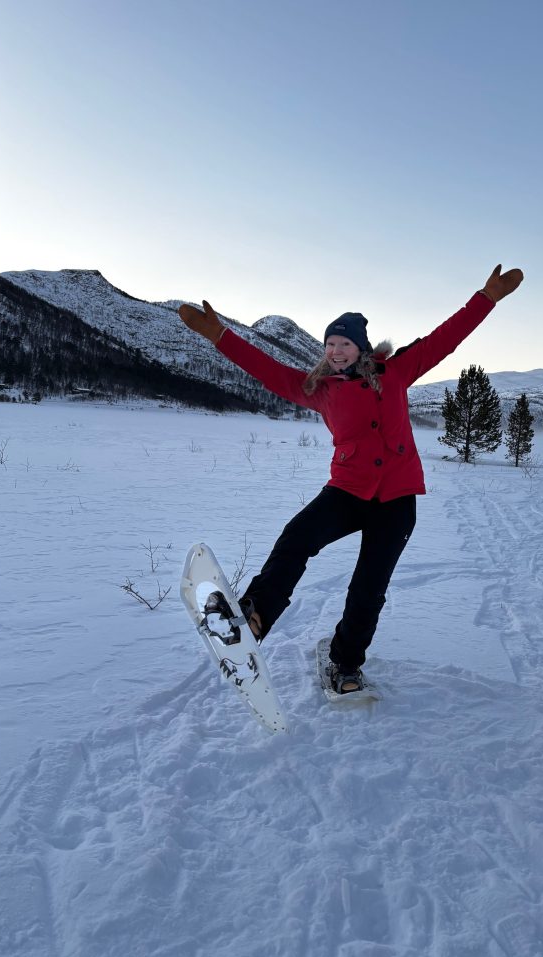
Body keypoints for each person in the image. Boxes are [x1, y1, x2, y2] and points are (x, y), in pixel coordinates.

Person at [178, 263, 523, 693]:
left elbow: (445, 339)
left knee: (369, 588)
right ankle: (254, 615)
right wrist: (220, 337)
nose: (336, 351)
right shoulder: (319, 389)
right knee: (296, 538)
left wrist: (485, 298)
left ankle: (345, 663)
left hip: (396, 499)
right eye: (330, 344)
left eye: (344, 343)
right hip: (346, 490)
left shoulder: (397, 372)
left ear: (361, 348)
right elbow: (267, 369)